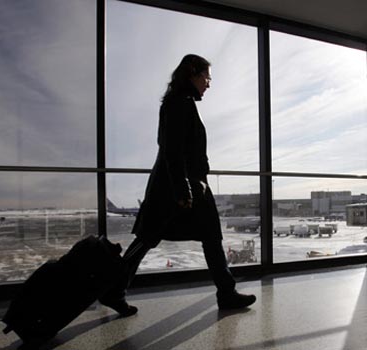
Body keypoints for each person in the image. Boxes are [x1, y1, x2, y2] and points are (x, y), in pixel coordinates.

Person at [100, 54, 256, 316]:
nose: (208, 83)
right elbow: (172, 149)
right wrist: (183, 188)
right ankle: (113, 291)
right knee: (149, 239)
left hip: (187, 184)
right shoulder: (178, 103)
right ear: (192, 74)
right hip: (177, 186)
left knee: (208, 237)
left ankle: (226, 292)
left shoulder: (181, 102)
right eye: (206, 77)